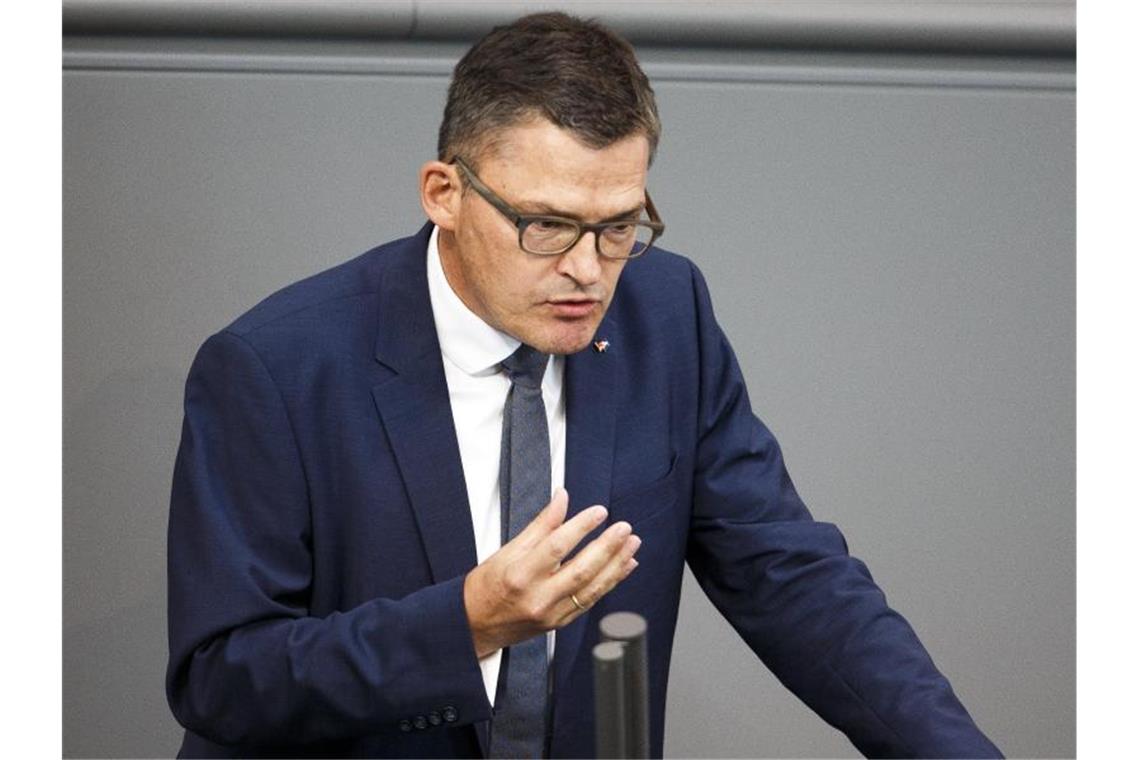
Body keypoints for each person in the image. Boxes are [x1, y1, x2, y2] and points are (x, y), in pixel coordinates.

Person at [166, 12, 1001, 759]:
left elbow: (791, 577)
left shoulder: (666, 315)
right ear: (445, 194)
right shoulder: (276, 368)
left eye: (619, 226)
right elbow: (221, 677)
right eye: (547, 224)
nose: (587, 269)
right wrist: (466, 623)